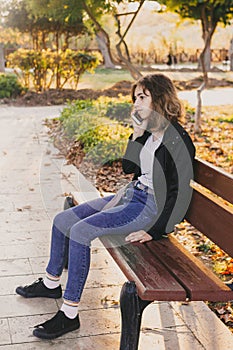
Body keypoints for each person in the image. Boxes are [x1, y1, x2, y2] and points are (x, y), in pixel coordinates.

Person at [15, 73, 195, 340]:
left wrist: (156, 231)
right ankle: (51, 284)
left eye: (142, 97)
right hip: (132, 196)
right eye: (135, 98)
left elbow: (179, 194)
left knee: (80, 231)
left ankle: (69, 314)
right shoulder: (150, 134)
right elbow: (129, 169)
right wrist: (136, 135)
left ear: (160, 98)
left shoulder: (177, 140)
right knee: (63, 220)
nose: (136, 104)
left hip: (148, 208)